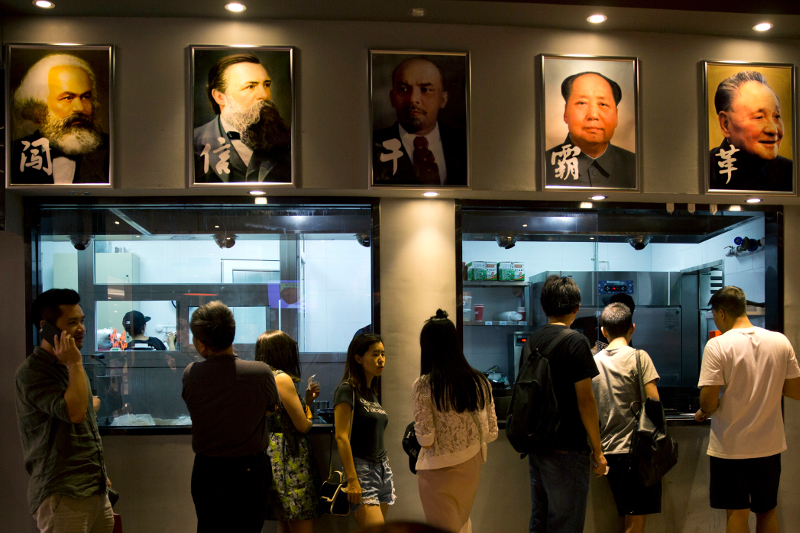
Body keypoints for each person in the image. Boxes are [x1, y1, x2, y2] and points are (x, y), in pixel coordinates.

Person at [694, 286, 800, 533]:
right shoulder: (780, 341)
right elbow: (795, 391)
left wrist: (703, 412)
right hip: (769, 445)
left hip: (731, 446)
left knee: (737, 512)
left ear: (721, 313)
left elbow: (709, 402)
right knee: (767, 510)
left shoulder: (717, 345)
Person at [15, 288, 114, 533]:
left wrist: (99, 473)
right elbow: (77, 413)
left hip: (94, 487)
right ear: (46, 327)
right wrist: (75, 363)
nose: (81, 329)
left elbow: (84, 420)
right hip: (62, 492)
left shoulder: (70, 367)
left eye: (82, 321)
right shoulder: (34, 372)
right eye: (72, 323)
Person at [182, 301, 280, 533]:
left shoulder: (192, 373)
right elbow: (271, 408)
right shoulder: (260, 372)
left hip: (208, 470)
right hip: (251, 470)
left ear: (202, 344)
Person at [525, 275, 606, 533]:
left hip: (538, 445)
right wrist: (598, 450)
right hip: (567, 447)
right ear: (576, 307)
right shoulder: (576, 341)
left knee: (540, 520)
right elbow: (586, 401)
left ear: (543, 307)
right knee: (566, 524)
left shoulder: (532, 341)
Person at [412, 310, 498, 533]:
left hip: (437, 470)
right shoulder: (480, 381)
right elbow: (491, 433)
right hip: (472, 465)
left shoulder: (425, 385)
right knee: (462, 524)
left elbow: (426, 440)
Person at [592, 302, 661, 533]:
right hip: (637, 452)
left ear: (603, 331)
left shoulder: (594, 362)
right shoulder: (639, 357)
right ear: (632, 327)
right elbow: (654, 402)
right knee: (635, 524)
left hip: (608, 450)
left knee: (626, 515)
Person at [255, 330, 321, 533]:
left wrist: (306, 401)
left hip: (272, 453)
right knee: (299, 519)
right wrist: (308, 413)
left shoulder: (262, 376)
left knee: (284, 521)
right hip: (291, 457)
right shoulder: (282, 378)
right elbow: (302, 425)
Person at [11, 53, 109, 185]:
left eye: (85, 97)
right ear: (41, 104)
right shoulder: (15, 153)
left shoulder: (111, 150)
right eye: (67, 98)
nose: (79, 108)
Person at [194, 53, 291, 183]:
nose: (264, 95)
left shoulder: (287, 141)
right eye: (250, 86)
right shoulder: (193, 142)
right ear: (220, 97)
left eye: (266, 85)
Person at [373, 57, 467, 186]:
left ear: (443, 99)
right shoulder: (371, 148)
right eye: (403, 89)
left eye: (425, 89)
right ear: (392, 98)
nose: (413, 99)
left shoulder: (466, 145)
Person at [334, 333, 395, 528]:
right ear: (358, 358)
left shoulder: (371, 392)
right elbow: (341, 437)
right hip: (361, 470)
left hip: (382, 469)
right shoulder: (347, 389)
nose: (381, 359)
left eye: (383, 354)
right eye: (375, 354)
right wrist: (352, 479)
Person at [546, 72, 635, 189]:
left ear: (616, 116)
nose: (593, 115)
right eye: (582, 103)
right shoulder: (543, 165)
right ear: (565, 112)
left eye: (603, 104)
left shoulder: (637, 167)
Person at [709, 71, 792, 192]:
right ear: (725, 124)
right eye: (759, 117)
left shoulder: (790, 172)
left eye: (777, 116)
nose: (773, 129)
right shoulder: (705, 170)